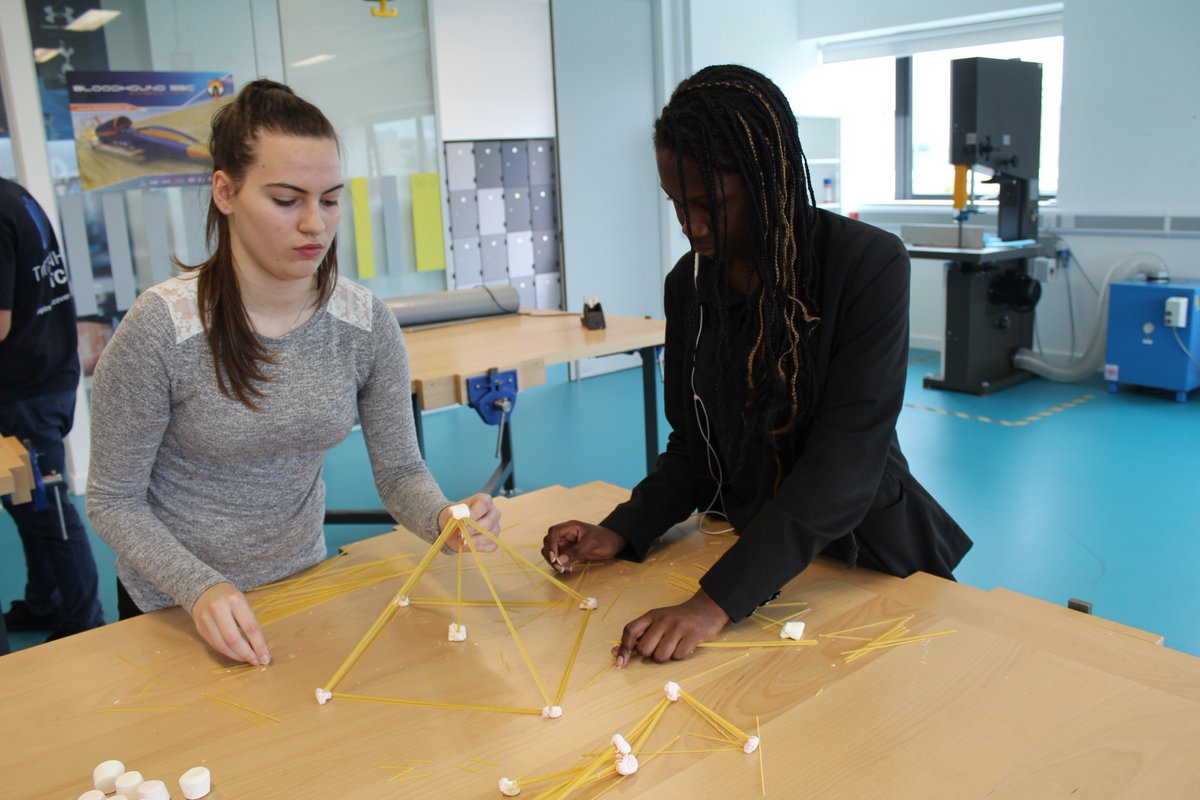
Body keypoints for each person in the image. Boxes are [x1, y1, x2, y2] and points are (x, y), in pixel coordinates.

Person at [542, 65, 971, 666]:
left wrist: (712, 604)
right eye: (676, 203)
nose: (691, 226)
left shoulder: (866, 264)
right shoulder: (689, 285)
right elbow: (695, 448)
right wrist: (624, 528)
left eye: (710, 204)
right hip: (755, 556)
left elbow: (845, 463)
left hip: (863, 555)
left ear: (769, 182)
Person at [86, 79, 499, 666]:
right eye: (286, 200)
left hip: (303, 583)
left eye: (330, 200)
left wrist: (443, 519)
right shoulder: (162, 329)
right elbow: (113, 499)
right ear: (225, 192)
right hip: (173, 606)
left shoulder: (364, 323)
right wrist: (199, 587)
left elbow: (401, 470)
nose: (315, 225)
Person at [0, 176, 105, 641]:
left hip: (27, 387)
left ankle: (84, 621)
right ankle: (45, 601)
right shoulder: (14, 194)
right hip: (41, 376)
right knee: (26, 502)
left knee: (48, 508)